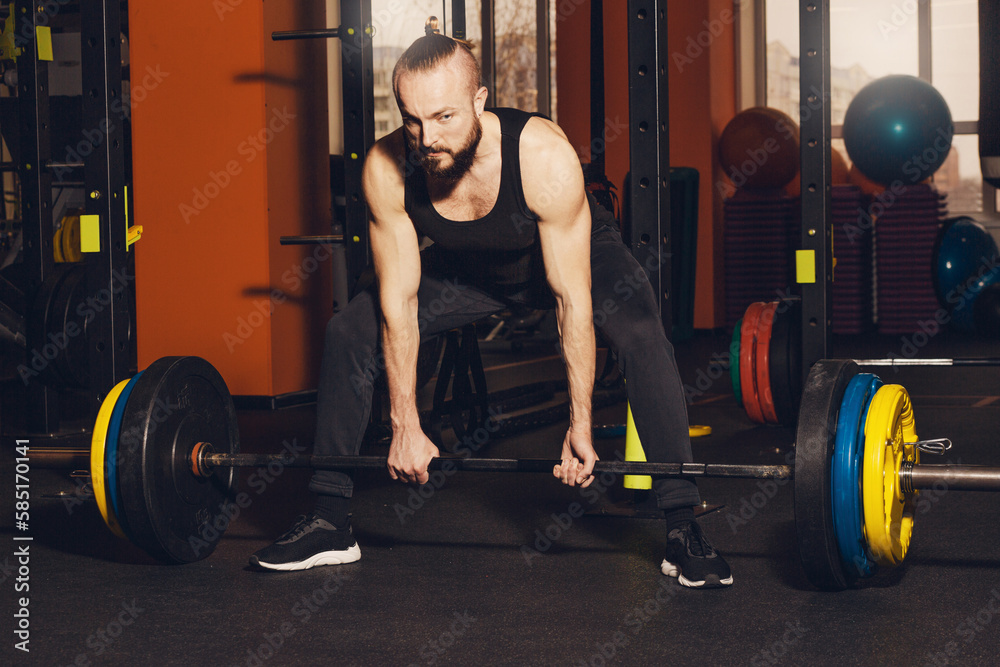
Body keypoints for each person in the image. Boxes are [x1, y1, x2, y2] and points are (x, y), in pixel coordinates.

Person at [250, 34, 732, 588]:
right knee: (349, 329)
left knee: (642, 331)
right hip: (469, 269)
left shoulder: (542, 155)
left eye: (445, 116)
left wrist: (580, 421)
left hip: (569, 255)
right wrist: (405, 424)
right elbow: (398, 304)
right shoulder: (387, 169)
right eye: (412, 120)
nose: (428, 138)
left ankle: (681, 523)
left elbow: (571, 300)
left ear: (480, 100)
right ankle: (329, 518)